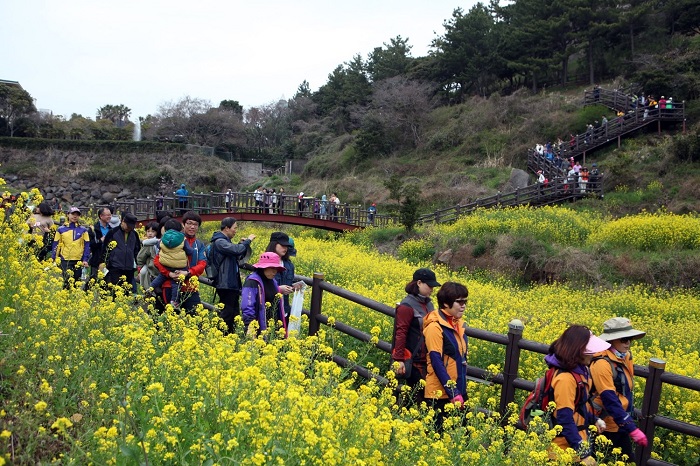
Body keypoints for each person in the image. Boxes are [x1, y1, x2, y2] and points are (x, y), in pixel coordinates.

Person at [546, 325, 610, 465]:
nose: (592, 354)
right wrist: (583, 453)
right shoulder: (566, 379)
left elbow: (578, 406)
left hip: (572, 448)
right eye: (589, 351)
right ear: (578, 351)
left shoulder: (580, 372)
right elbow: (564, 418)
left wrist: (594, 419)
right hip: (561, 453)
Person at [590, 317, 648, 459]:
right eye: (623, 339)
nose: (628, 343)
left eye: (630, 339)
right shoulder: (602, 363)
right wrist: (631, 428)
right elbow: (609, 398)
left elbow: (625, 391)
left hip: (620, 422)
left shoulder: (625, 356)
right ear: (611, 340)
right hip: (604, 426)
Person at [391, 268, 441, 406]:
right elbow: (400, 333)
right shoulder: (407, 305)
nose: (432, 289)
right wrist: (399, 360)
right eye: (429, 285)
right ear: (419, 283)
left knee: (422, 398)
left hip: (428, 360)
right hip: (413, 361)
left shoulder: (428, 304)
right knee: (418, 398)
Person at [424, 281, 469, 432]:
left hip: (459, 391)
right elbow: (436, 361)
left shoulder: (458, 325)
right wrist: (453, 392)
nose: (463, 305)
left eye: (465, 301)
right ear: (445, 303)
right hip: (440, 394)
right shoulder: (434, 327)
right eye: (459, 301)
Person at [154, 211, 206, 313]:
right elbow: (157, 260)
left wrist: (188, 272)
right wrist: (169, 274)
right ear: (183, 224)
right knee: (171, 318)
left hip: (190, 287)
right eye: (189, 223)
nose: (192, 227)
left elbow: (202, 263)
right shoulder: (172, 240)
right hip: (170, 285)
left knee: (195, 317)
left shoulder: (198, 244)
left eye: (195, 224)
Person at [209, 217, 255, 332]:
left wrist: (242, 245)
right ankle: (220, 336)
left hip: (230, 282)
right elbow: (236, 250)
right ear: (226, 228)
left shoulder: (225, 241)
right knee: (228, 313)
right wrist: (247, 241)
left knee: (234, 313)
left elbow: (238, 255)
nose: (236, 231)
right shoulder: (220, 241)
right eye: (234, 228)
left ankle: (229, 336)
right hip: (225, 283)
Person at [149, 219, 195, 308]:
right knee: (176, 284)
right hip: (179, 267)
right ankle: (174, 301)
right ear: (180, 229)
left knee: (160, 278)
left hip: (166, 265)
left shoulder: (163, 239)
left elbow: (158, 246)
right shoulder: (183, 239)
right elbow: (189, 251)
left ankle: (150, 288)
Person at [241, 252, 288, 337]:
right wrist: (250, 326)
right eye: (271, 268)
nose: (274, 271)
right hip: (258, 327)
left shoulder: (273, 281)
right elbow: (247, 305)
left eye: (276, 268)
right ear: (263, 268)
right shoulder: (252, 282)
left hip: (272, 327)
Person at [101, 212, 141, 294]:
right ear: (123, 221)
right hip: (115, 267)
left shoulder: (134, 234)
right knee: (115, 292)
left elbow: (137, 251)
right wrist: (103, 263)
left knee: (126, 292)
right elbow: (105, 249)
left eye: (131, 227)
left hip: (129, 268)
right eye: (128, 226)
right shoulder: (112, 232)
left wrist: (139, 267)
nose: (129, 228)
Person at [51, 206, 90, 289]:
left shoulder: (83, 230)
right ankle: (65, 299)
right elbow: (56, 244)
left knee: (76, 282)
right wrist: (54, 258)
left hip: (78, 259)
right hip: (65, 259)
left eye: (77, 214)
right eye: (73, 214)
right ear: (68, 215)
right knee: (67, 281)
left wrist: (85, 259)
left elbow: (87, 245)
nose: (75, 216)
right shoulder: (60, 229)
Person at [265, 232, 299, 319]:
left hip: (284, 310)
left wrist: (293, 287)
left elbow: (288, 283)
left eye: (287, 246)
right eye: (282, 245)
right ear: (274, 244)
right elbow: (260, 287)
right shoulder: (265, 264)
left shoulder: (289, 265)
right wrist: (279, 289)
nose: (285, 248)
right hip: (268, 311)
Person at [85, 207, 113, 289]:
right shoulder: (93, 229)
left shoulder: (111, 229)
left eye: (110, 215)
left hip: (108, 260)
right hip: (96, 259)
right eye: (107, 215)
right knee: (94, 280)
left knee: (107, 282)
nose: (109, 217)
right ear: (101, 216)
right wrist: (100, 241)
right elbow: (90, 244)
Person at [137, 222, 160, 293]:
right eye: (148, 231)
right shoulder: (148, 241)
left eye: (153, 231)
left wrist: (140, 265)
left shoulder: (150, 243)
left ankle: (143, 288)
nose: (150, 233)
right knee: (143, 272)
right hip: (149, 263)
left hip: (151, 264)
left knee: (143, 272)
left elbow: (141, 257)